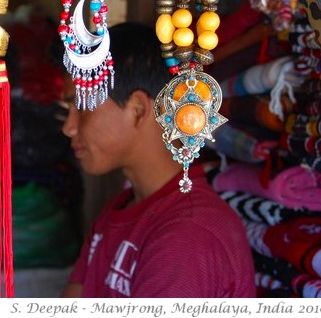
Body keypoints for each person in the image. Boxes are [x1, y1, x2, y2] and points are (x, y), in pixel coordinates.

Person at [60, 22, 256, 298]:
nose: (68, 127)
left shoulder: (188, 237)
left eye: (81, 107)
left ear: (138, 109)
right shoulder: (121, 210)